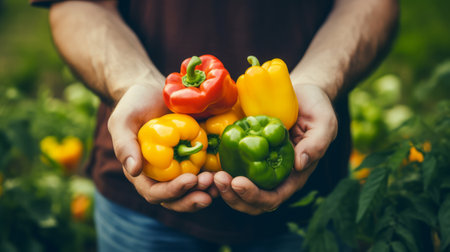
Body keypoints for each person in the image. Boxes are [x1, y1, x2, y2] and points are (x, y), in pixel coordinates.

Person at [32, 0, 399, 251]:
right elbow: (79, 4)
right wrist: (132, 83)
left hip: (311, 185)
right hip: (138, 198)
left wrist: (319, 82)